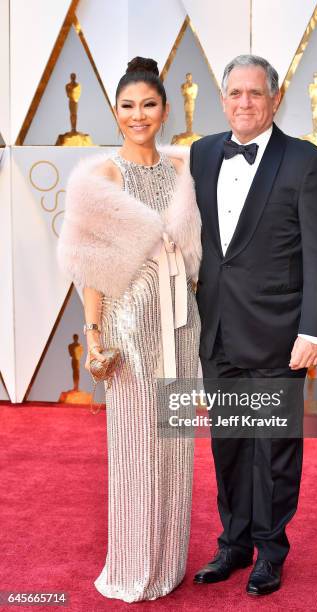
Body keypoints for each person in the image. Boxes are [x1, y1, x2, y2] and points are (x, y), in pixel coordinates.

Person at [190, 55, 317, 596]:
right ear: (223, 98)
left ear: (275, 99)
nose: (244, 103)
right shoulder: (203, 152)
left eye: (255, 93)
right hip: (219, 333)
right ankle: (233, 544)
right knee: (228, 443)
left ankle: (270, 551)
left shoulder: (305, 162)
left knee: (274, 449)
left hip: (280, 334)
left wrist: (314, 330)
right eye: (234, 93)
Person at [57, 57, 201, 602]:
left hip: (180, 324)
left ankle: (169, 561)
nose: (137, 115)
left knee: (177, 444)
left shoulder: (185, 173)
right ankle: (133, 565)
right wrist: (94, 338)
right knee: (137, 448)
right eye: (127, 106)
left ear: (165, 110)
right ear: (115, 113)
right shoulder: (102, 178)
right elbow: (91, 266)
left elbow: (196, 261)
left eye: (148, 104)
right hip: (129, 331)